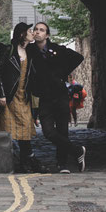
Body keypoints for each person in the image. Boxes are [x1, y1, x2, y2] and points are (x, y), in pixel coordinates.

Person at [27, 22, 87, 173]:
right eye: (36, 30)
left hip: (60, 95)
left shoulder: (57, 50)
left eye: (42, 30)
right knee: (47, 131)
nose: (38, 32)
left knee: (62, 130)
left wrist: (61, 73)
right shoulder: (30, 50)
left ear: (47, 35)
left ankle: (63, 164)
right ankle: (77, 151)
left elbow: (78, 57)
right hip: (45, 97)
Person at [0, 22, 44, 173]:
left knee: (25, 128)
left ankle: (26, 160)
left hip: (24, 96)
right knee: (10, 129)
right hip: (10, 96)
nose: (32, 32)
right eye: (30, 31)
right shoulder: (10, 51)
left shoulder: (31, 51)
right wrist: (1, 94)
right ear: (22, 34)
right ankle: (22, 161)